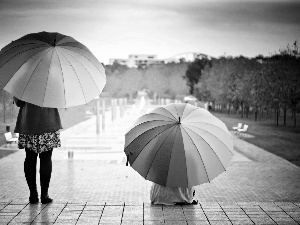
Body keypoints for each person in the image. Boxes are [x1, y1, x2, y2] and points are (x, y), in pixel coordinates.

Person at [14, 97, 63, 204]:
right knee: (46, 159)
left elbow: (18, 102)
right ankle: (44, 195)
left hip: (29, 123)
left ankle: (33, 195)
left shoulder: (24, 81)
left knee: (30, 158)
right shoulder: (52, 81)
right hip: (47, 123)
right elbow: (59, 100)